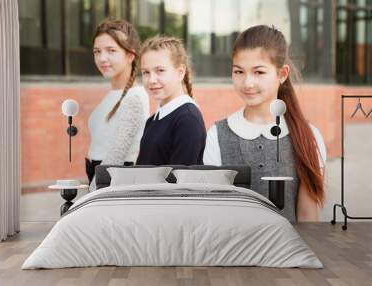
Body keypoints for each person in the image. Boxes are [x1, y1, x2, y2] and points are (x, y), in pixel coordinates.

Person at [203, 25, 326, 222]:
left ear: (282, 74)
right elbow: (215, 215)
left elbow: (308, 219)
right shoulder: (217, 135)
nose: (247, 83)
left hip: (288, 251)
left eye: (259, 72)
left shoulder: (307, 136)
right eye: (239, 72)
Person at [86, 19, 149, 189]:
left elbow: (116, 155)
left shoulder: (134, 97)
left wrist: (93, 192)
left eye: (111, 51)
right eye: (97, 51)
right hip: (101, 179)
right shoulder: (112, 95)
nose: (102, 58)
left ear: (130, 55)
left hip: (112, 182)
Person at [136, 36, 206, 165]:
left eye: (160, 70)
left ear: (180, 72)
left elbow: (179, 180)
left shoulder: (188, 119)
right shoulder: (152, 120)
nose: (151, 79)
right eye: (146, 72)